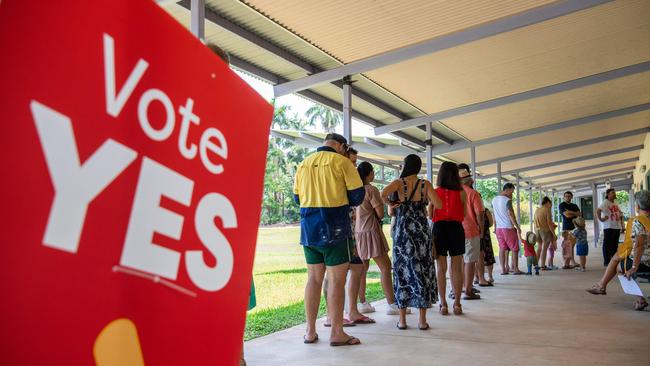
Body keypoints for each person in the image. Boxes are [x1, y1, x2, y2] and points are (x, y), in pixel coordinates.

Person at [294, 133, 364, 346]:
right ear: (342, 147)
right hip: (335, 226)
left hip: (309, 226)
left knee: (313, 279)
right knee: (336, 280)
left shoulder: (304, 163)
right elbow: (357, 196)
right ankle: (336, 332)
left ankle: (310, 331)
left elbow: (297, 198)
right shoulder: (342, 162)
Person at [381, 154, 441, 329]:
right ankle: (422, 321)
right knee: (422, 269)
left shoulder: (399, 183)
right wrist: (424, 202)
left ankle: (402, 320)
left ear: (405, 166)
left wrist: (392, 204)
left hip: (403, 234)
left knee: (402, 271)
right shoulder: (425, 184)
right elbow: (438, 205)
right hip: (421, 233)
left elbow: (382, 193)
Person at [586, 190, 650, 311]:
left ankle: (640, 299)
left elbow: (639, 245)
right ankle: (601, 285)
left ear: (637, 206)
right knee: (618, 256)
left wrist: (634, 267)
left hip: (646, 262)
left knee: (619, 268)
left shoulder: (639, 221)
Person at [354, 162, 400, 315]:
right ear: (370, 174)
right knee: (386, 268)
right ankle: (392, 304)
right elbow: (380, 214)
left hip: (358, 233)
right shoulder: (371, 190)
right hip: (371, 232)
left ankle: (363, 303)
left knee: (362, 269)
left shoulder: (354, 191)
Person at [431, 161, 467, 314]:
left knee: (441, 267)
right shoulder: (462, 192)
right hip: (456, 228)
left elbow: (429, 213)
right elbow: (464, 214)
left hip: (439, 228)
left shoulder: (435, 191)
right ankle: (457, 304)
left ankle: (443, 303)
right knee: (457, 267)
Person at [458, 164, 485, 296]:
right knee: (470, 261)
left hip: (457, 230)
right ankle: (468, 290)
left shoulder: (455, 193)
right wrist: (482, 229)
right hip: (471, 230)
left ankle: (460, 287)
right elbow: (480, 214)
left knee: (460, 261)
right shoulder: (473, 193)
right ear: (468, 180)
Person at [492, 183, 523, 275]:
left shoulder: (494, 200)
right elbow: (510, 214)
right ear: (508, 189)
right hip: (508, 228)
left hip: (499, 229)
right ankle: (516, 269)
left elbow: (493, 214)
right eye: (512, 191)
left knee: (502, 248)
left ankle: (503, 269)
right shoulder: (507, 200)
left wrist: (495, 226)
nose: (512, 194)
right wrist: (517, 226)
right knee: (515, 248)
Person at [598, 188, 624, 266]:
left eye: (614, 192)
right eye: (612, 193)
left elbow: (620, 212)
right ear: (608, 194)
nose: (614, 194)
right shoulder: (605, 202)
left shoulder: (615, 202)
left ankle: (613, 259)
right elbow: (598, 210)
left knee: (615, 244)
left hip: (616, 226)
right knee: (607, 244)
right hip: (609, 226)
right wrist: (601, 219)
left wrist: (622, 224)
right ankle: (606, 261)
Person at [559, 191, 581, 267]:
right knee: (566, 245)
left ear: (571, 197)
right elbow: (566, 215)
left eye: (569, 196)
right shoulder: (562, 205)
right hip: (566, 227)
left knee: (572, 245)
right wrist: (574, 213)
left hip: (575, 227)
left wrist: (570, 212)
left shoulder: (574, 205)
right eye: (566, 196)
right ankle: (565, 262)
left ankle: (572, 261)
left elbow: (579, 214)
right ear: (564, 197)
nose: (568, 197)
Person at [534, 197, 555, 270]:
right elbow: (549, 223)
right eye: (551, 204)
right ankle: (543, 265)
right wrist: (554, 234)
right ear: (548, 202)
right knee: (544, 249)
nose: (551, 205)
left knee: (539, 248)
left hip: (537, 230)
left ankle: (536, 264)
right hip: (545, 231)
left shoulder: (537, 210)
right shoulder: (547, 210)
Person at [477, 208, 496, 285]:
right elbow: (491, 223)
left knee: (476, 257)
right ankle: (490, 276)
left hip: (475, 234)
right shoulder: (485, 210)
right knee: (488, 256)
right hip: (485, 235)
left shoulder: (471, 210)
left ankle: (477, 277)